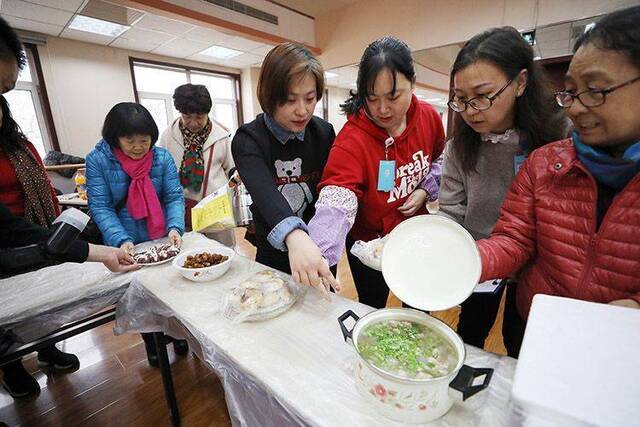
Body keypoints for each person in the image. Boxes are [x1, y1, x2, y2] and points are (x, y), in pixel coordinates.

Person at [477, 5, 640, 356]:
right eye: (570, 92)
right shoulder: (545, 163)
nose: (576, 108)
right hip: (536, 324)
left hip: (618, 348)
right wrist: (467, 260)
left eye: (595, 89)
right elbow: (514, 238)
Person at [0, 17, 136, 399]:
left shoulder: (12, 137)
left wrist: (97, 249)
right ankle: (12, 368)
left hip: (36, 230)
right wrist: (105, 245)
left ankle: (46, 348)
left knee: (42, 305)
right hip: (22, 240)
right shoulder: (95, 162)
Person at [440, 27, 567, 356]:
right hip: (480, 258)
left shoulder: (557, 139)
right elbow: (452, 211)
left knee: (520, 340)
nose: (470, 110)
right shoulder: (459, 147)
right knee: (470, 330)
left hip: (537, 265)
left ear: (521, 83)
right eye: (461, 99)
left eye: (483, 96)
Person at [292, 36, 445, 307]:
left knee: (420, 303)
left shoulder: (429, 118)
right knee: (372, 305)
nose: (383, 109)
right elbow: (337, 200)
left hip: (414, 235)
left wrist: (425, 189)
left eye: (393, 96)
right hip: (369, 245)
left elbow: (440, 160)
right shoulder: (353, 138)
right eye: (372, 98)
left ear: (414, 82)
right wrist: (319, 255)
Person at [86, 102, 186, 365]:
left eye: (145, 139)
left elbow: (174, 197)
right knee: (140, 294)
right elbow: (101, 206)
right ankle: (152, 342)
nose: (139, 147)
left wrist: (175, 227)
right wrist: (121, 240)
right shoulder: (98, 160)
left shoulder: (162, 158)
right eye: (129, 140)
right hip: (126, 241)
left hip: (162, 236)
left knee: (173, 289)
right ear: (115, 137)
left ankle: (177, 335)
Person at [231, 42, 338, 289]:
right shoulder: (249, 139)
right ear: (270, 96)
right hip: (273, 253)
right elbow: (266, 195)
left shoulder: (323, 133)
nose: (302, 110)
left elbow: (331, 189)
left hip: (318, 249)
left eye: (310, 99)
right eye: (290, 100)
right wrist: (295, 235)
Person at [158, 83, 236, 246]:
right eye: (187, 117)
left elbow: (232, 170)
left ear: (208, 112)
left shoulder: (221, 136)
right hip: (183, 210)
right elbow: (161, 172)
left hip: (216, 210)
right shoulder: (168, 137)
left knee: (222, 251)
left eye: (199, 117)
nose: (193, 123)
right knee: (189, 252)